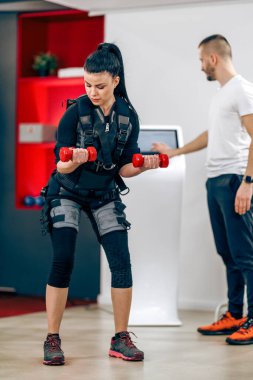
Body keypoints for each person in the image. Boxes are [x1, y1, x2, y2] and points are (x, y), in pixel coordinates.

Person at [41, 42, 160, 365]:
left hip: (104, 193)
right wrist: (75, 159)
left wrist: (142, 165)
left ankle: (120, 338)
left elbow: (123, 167)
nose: (93, 91)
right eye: (87, 85)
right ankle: (52, 338)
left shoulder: (127, 115)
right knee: (63, 258)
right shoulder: (73, 114)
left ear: (116, 81)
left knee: (121, 261)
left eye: (100, 86)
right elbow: (60, 165)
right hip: (66, 191)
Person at [153, 34, 253, 345]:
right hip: (216, 182)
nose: (200, 67)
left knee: (246, 255)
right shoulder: (223, 95)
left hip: (235, 180)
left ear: (212, 58)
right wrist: (175, 152)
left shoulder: (242, 90)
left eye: (201, 60)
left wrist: (248, 184)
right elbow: (213, 135)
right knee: (229, 254)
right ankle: (235, 314)